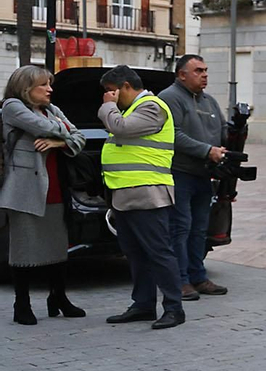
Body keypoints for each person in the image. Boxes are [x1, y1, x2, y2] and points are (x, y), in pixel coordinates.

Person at [99, 65, 185, 330]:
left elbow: (121, 129)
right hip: (125, 194)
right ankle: (143, 304)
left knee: (159, 252)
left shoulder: (152, 107)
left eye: (111, 91)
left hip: (147, 192)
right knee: (136, 254)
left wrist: (107, 108)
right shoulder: (132, 109)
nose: (108, 97)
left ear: (126, 86)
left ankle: (174, 308)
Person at [1, 66, 86, 324]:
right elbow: (41, 127)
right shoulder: (13, 106)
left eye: (50, 84)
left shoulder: (52, 110)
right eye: (43, 85)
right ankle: (22, 304)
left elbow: (79, 137)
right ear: (26, 88)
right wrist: (63, 132)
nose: (50, 89)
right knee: (24, 249)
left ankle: (58, 298)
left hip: (56, 186)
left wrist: (60, 142)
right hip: (24, 188)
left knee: (58, 248)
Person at [159, 55, 229, 301]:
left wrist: (236, 132)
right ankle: (179, 281)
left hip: (204, 175)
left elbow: (222, 131)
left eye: (206, 70)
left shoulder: (209, 101)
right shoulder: (169, 98)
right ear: (181, 74)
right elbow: (172, 135)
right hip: (179, 173)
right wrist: (206, 151)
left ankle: (198, 276)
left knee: (199, 229)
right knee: (180, 228)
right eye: (198, 70)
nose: (205, 75)